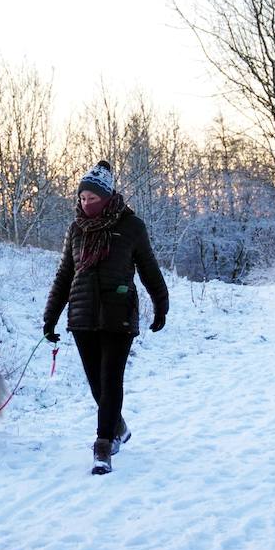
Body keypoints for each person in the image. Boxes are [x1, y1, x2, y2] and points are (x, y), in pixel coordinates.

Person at [42, 160, 168, 474]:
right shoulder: (76, 229)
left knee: (111, 379)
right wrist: (50, 318)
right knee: (97, 383)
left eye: (93, 199)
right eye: (83, 198)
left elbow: (149, 268)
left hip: (118, 314)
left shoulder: (131, 226)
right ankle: (118, 426)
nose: (87, 204)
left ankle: (103, 446)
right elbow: (64, 275)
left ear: (108, 198)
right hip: (83, 316)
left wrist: (161, 305)